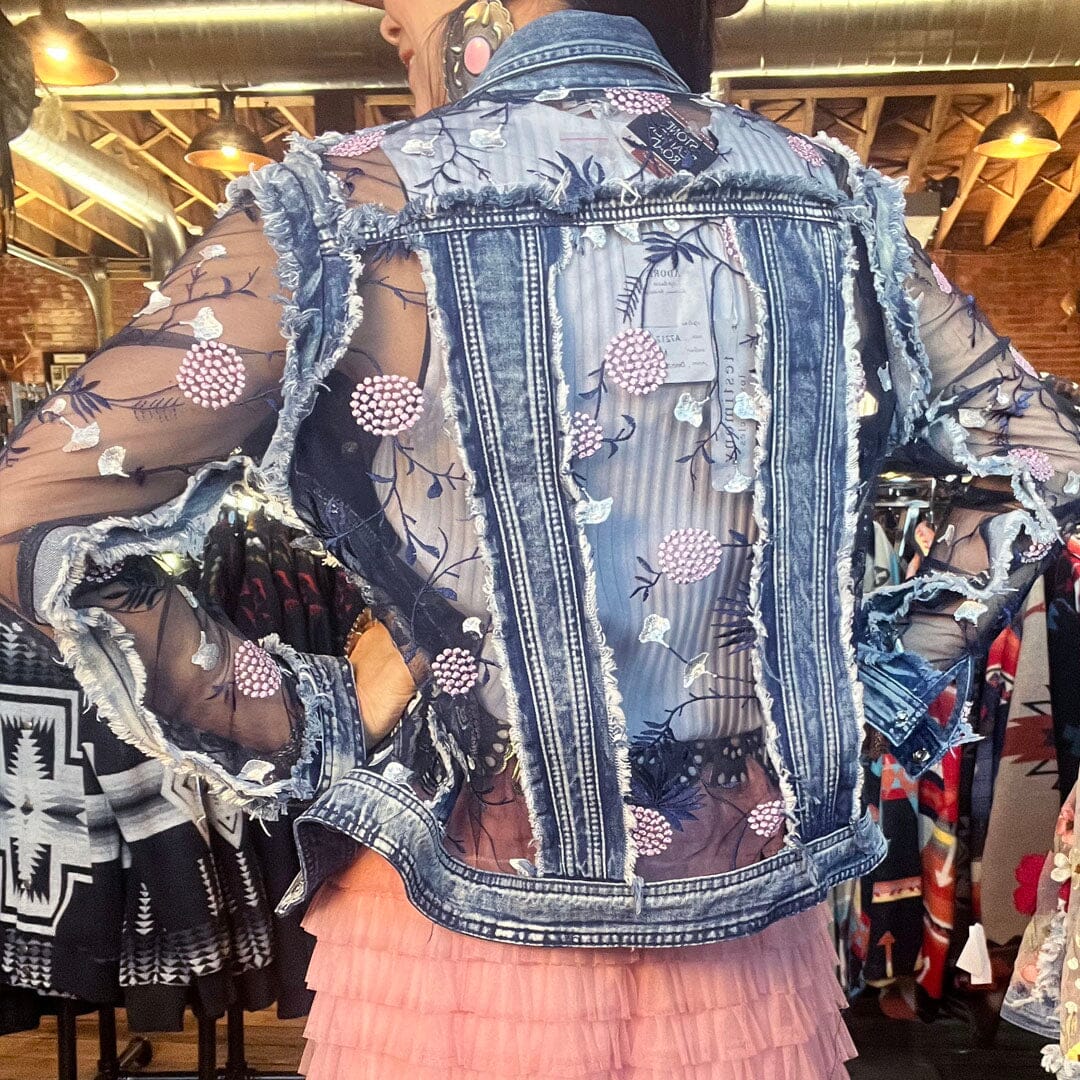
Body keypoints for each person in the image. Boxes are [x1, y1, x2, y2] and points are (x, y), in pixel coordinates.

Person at [2, 1, 1079, 1076]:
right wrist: (872, 681)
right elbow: (1047, 452)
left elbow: (32, 509)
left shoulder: (343, 206)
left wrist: (300, 718)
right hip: (744, 909)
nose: (388, 20)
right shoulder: (832, 196)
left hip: (451, 898)